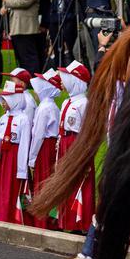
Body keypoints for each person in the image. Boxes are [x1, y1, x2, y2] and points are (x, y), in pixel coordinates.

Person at [57, 61, 94, 233]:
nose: (62, 81)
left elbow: (88, 133)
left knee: (80, 182)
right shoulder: (67, 102)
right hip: (65, 143)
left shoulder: (84, 103)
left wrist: (85, 157)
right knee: (66, 182)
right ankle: (67, 221)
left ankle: (81, 223)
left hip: (77, 145)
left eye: (66, 78)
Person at [0, 81, 32, 224]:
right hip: (2, 156)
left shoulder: (23, 119)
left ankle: (8, 217)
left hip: (13, 158)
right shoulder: (3, 118)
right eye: (2, 98)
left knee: (10, 187)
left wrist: (21, 171)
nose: (3, 102)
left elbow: (24, 145)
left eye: (6, 98)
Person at [28, 68, 62, 230]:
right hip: (49, 147)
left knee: (41, 183)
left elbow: (38, 135)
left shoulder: (44, 108)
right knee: (47, 182)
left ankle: (41, 221)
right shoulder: (51, 106)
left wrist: (32, 157)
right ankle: (47, 220)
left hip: (44, 148)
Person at [2, 0, 43, 74]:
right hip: (18, 28)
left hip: (26, 28)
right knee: (22, 59)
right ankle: (25, 82)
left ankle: (32, 83)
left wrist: (7, 1)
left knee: (29, 59)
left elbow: (24, 2)